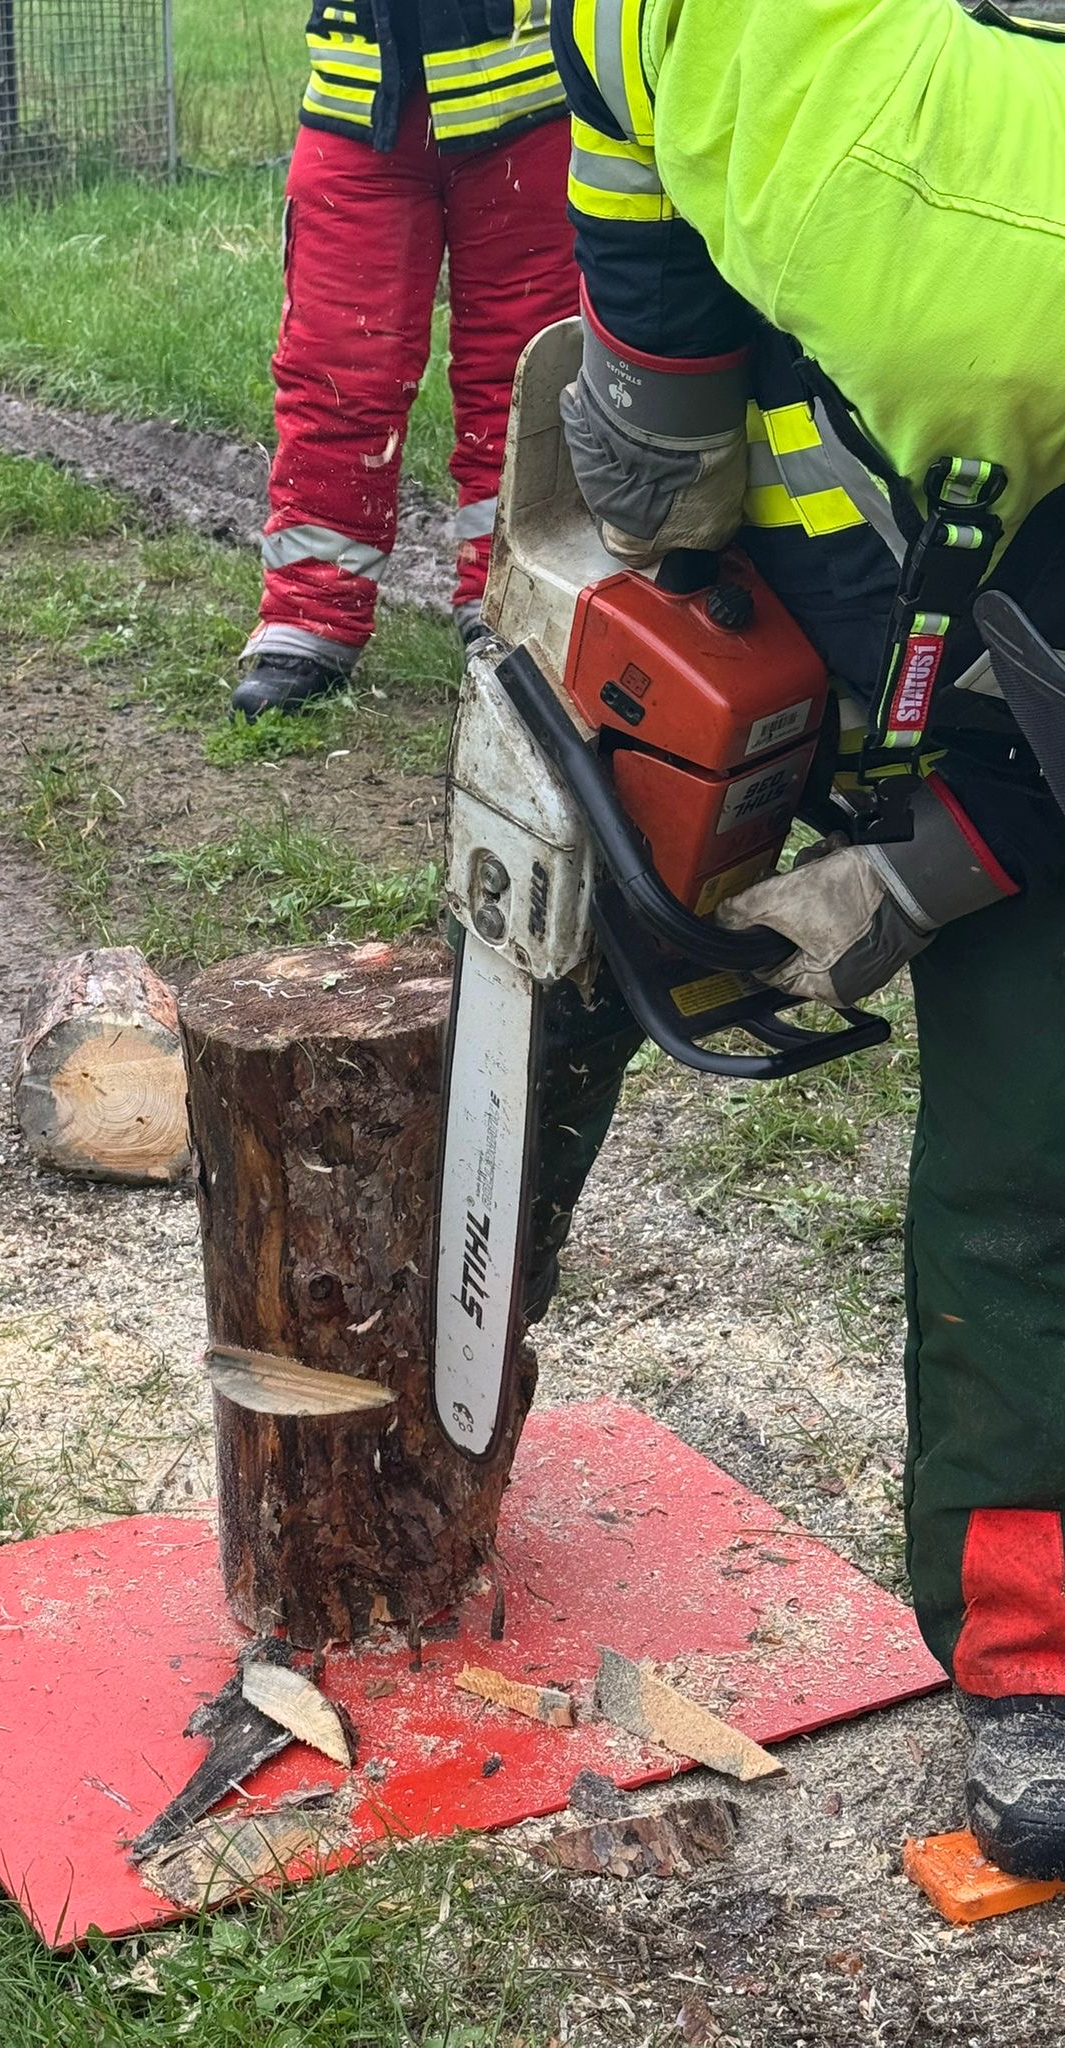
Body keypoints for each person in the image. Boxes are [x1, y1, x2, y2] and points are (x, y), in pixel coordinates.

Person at [538, 0, 1065, 1876]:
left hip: (1014, 599)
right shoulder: (655, 16)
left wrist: (926, 869)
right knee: (1023, 1189)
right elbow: (632, 215)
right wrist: (665, 455)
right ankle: (1039, 1662)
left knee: (1039, 1153)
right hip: (905, 546)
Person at [231, 1, 579, 721]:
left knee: (522, 378)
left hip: (524, 106)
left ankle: (508, 602)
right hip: (359, 106)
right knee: (335, 373)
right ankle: (309, 614)